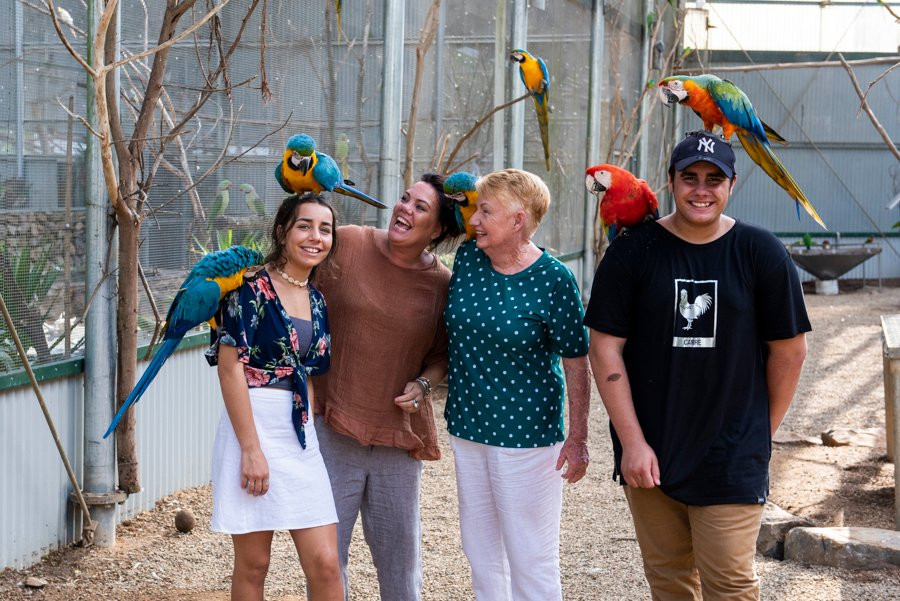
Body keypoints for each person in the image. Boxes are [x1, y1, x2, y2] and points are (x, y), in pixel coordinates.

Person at [584, 130, 810, 601]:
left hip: (731, 454)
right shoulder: (633, 251)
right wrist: (632, 443)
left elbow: (790, 351)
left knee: (729, 584)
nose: (701, 189)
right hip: (651, 451)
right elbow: (605, 347)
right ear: (670, 181)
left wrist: (758, 434)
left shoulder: (760, 252)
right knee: (668, 581)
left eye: (714, 178)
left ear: (732, 184)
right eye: (690, 177)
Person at [309, 173, 463, 601]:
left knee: (400, 565)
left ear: (437, 230)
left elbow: (441, 356)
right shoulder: (350, 242)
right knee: (324, 561)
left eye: (420, 207)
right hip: (332, 425)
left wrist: (422, 384)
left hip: (398, 436)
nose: (404, 209)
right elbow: (299, 290)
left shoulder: (442, 285)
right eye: (403, 198)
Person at [443, 168, 592, 601]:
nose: (474, 220)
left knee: (531, 557)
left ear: (518, 220)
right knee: (481, 552)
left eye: (486, 212)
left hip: (527, 435)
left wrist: (578, 436)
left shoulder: (554, 279)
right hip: (468, 429)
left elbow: (576, 360)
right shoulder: (470, 257)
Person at [206, 194, 343, 601]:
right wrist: (251, 449)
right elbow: (230, 368)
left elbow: (311, 372)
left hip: (298, 434)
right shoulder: (248, 289)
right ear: (282, 231)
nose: (315, 237)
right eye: (305, 226)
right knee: (254, 564)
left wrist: (310, 430)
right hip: (253, 423)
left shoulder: (318, 300)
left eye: (325, 228)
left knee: (326, 563)